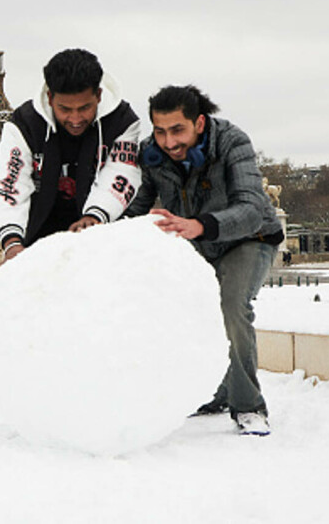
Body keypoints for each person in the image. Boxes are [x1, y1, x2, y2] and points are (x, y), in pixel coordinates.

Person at [125, 85, 284, 436]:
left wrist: (199, 225)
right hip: (195, 242)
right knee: (189, 314)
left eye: (177, 130)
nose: (168, 142)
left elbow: (252, 209)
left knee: (232, 305)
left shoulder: (232, 142)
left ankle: (249, 406)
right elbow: (138, 206)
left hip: (249, 238)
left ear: (199, 122)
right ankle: (217, 393)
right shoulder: (150, 153)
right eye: (160, 131)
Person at [0, 48, 141, 260]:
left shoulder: (123, 121)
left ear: (98, 95)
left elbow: (121, 172)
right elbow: (10, 183)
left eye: (85, 107)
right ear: (49, 98)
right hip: (36, 241)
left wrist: (95, 216)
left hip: (101, 238)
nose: (75, 118)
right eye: (65, 109)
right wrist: (12, 240)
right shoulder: (24, 124)